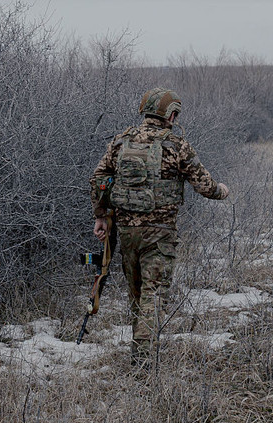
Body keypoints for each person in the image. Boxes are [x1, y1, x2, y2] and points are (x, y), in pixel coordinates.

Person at [90, 87, 229, 368]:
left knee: (137, 294)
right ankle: (142, 363)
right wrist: (223, 191)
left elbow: (99, 178)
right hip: (160, 234)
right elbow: (205, 186)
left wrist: (101, 216)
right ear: (171, 114)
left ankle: (139, 353)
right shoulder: (177, 146)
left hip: (127, 234)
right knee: (153, 296)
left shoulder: (120, 142)